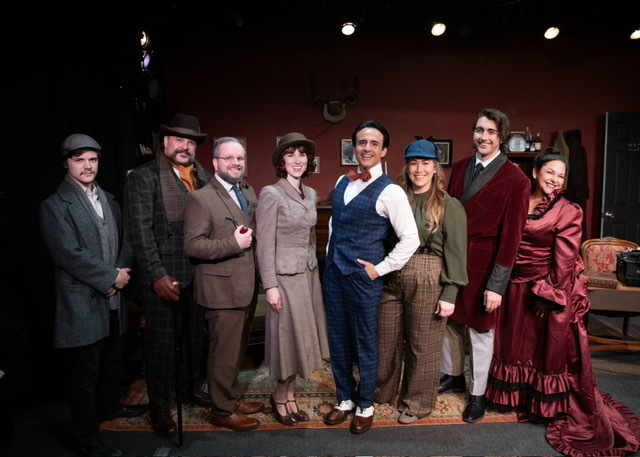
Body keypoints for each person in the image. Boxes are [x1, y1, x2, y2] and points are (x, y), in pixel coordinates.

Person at [485, 149, 640, 456]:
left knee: (544, 349)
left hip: (545, 286)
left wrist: (550, 293)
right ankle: (516, 398)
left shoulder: (568, 210)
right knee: (515, 345)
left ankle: (542, 405)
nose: (555, 180)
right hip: (514, 284)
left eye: (560, 175)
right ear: (535, 173)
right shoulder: (518, 199)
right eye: (549, 173)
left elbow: (566, 259)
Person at [40, 134, 148, 457]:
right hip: (82, 300)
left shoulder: (110, 199)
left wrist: (122, 272)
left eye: (93, 159)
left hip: (113, 297)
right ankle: (86, 438)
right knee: (85, 375)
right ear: (66, 162)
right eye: (79, 159)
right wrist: (110, 277)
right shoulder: (54, 205)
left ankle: (111, 408)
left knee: (112, 362)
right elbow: (67, 254)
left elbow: (125, 242)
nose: (88, 166)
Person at [322, 120, 420, 435]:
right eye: (362, 142)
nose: (366, 148)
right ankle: (345, 399)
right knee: (337, 339)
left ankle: (366, 404)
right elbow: (335, 225)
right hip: (334, 274)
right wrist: (329, 257)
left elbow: (411, 239)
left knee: (365, 340)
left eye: (374, 143)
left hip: (364, 278)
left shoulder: (391, 191)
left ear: (383, 150)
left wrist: (379, 268)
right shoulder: (341, 180)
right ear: (354, 147)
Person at [122, 113, 213, 438]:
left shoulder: (202, 175)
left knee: (192, 340)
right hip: (164, 277)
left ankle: (188, 390)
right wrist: (156, 275)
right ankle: (160, 406)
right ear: (165, 142)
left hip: (199, 273)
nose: (185, 146)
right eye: (179, 140)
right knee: (161, 346)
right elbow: (139, 232)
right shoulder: (144, 177)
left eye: (191, 141)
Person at [439, 108, 530, 423]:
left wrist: (496, 285)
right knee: (450, 322)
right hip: (453, 258)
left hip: (485, 263)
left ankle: (477, 394)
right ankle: (452, 376)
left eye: (491, 132)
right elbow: (448, 214)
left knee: (480, 330)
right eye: (479, 130)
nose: (484, 137)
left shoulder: (517, 179)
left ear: (501, 137)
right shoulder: (462, 166)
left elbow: (512, 238)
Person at [375, 138, 468, 424]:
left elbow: (456, 251)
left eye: (425, 163)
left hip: (429, 270)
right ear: (407, 166)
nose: (419, 168)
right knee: (386, 338)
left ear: (435, 167)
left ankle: (417, 402)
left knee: (422, 344)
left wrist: (450, 293)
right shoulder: (396, 197)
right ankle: (383, 392)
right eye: (414, 162)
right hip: (394, 270)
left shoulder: (448, 205)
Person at [183, 136, 265, 432]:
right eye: (228, 158)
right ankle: (221, 411)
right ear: (215, 163)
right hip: (220, 291)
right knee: (223, 353)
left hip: (245, 287)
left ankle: (228, 398)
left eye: (240, 158)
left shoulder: (247, 192)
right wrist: (232, 244)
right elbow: (192, 245)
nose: (235, 163)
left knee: (236, 350)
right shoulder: (200, 198)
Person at [256, 132, 330, 427]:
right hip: (284, 279)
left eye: (302, 154)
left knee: (302, 339)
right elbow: (263, 244)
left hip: (309, 276)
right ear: (281, 161)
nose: (297, 160)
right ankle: (279, 395)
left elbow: (310, 237)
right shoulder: (270, 194)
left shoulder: (310, 194)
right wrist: (270, 285)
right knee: (286, 339)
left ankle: (290, 395)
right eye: (290, 154)